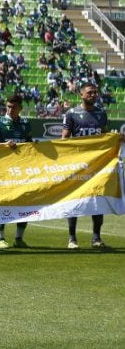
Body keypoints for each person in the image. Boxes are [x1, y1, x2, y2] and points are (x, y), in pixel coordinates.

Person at [62, 83, 113, 249]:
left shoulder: (101, 113)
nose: (93, 95)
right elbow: (65, 139)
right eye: (90, 92)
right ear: (81, 94)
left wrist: (115, 139)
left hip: (97, 165)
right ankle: (72, 238)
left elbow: (105, 135)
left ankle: (96, 238)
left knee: (98, 201)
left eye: (95, 93)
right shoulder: (71, 113)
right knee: (75, 200)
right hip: (78, 165)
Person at [0, 93, 33, 249]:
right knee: (2, 203)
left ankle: (19, 238)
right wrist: (4, 145)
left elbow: (29, 145)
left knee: (23, 203)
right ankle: (0, 239)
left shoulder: (26, 124)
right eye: (8, 106)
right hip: (3, 171)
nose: (10, 109)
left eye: (13, 107)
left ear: (20, 108)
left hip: (21, 171)